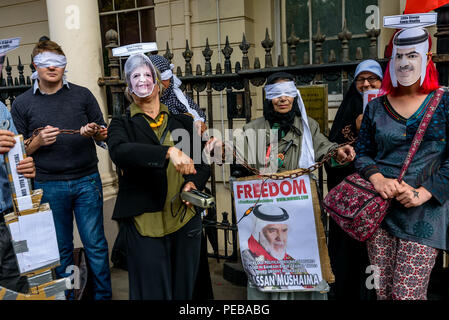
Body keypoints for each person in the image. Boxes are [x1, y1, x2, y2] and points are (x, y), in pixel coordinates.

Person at [226, 71, 355, 300]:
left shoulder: (308, 127)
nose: (283, 99)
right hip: (266, 214)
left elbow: (324, 147)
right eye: (277, 94)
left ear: (295, 97)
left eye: (288, 93)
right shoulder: (252, 130)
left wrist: (338, 152)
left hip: (301, 213)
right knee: (268, 264)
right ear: (268, 98)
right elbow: (238, 162)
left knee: (303, 265)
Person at [10, 40, 111, 300]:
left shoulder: (83, 94)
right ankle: (67, 297)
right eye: (45, 62)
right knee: (60, 249)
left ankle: (103, 297)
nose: (52, 67)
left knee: (96, 245)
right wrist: (37, 141)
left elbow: (103, 134)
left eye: (58, 61)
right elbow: (17, 152)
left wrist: (94, 131)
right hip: (48, 186)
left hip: (86, 182)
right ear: (35, 66)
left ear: (65, 65)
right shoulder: (22, 103)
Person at [107, 53, 210, 300]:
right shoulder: (121, 125)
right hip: (145, 223)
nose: (142, 80)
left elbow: (202, 161)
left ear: (158, 82)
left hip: (185, 220)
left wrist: (192, 183)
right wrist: (169, 152)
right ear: (129, 87)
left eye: (147, 74)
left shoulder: (182, 122)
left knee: (187, 291)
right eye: (135, 76)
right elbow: (121, 152)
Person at [355, 27, 447, 300]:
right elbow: (363, 153)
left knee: (406, 295)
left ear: (427, 58)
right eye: (399, 56)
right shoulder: (375, 107)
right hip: (380, 214)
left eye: (412, 55)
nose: (405, 62)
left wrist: (423, 193)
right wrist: (377, 179)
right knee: (381, 292)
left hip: (424, 217)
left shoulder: (444, 102)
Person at [148, 53, 214, 300]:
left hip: (185, 200)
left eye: (159, 79)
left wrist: (192, 182)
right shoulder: (132, 121)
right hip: (155, 208)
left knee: (190, 271)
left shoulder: (182, 111)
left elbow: (202, 159)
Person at [325, 59, 383, 300]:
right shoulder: (347, 111)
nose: (367, 83)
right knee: (347, 255)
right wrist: (356, 133)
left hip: (380, 200)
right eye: (361, 79)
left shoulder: (391, 108)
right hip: (349, 204)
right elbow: (331, 156)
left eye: (373, 79)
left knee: (375, 258)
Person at [0, 52, 36, 293]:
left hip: (8, 218)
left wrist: (24, 167)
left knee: (16, 286)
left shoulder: (1, 109)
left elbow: (16, 157)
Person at [147, 54, 207, 135]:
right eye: (158, 80)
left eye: (165, 78)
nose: (161, 84)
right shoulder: (144, 102)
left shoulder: (177, 96)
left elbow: (197, 113)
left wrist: (198, 122)